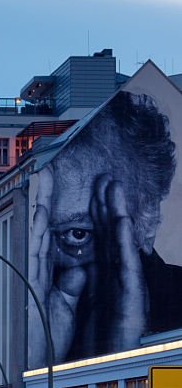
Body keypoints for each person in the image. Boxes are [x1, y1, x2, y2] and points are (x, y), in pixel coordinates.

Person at [29, 90, 182, 367]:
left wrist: (129, 355)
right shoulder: (28, 309)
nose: (50, 262)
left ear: (148, 219)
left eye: (78, 234)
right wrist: (38, 364)